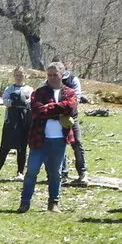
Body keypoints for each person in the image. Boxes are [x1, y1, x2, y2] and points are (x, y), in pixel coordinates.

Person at [17, 61, 77, 214]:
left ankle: (53, 203)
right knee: (32, 171)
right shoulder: (39, 92)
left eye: (55, 75)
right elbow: (37, 110)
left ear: (62, 75)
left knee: (55, 173)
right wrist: (59, 112)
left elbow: (70, 108)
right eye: (49, 75)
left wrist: (48, 108)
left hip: (59, 139)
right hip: (39, 138)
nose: (52, 78)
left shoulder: (69, 92)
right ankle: (25, 202)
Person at [0, 66, 32, 181]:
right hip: (11, 121)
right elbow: (5, 101)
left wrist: (24, 102)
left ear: (25, 76)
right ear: (14, 76)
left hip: (24, 120)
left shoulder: (29, 89)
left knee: (22, 147)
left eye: (21, 75)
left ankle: (20, 172)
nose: (19, 77)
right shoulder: (9, 89)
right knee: (5, 146)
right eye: (17, 75)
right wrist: (13, 102)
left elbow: (32, 102)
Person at [53, 56, 88, 186]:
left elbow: (76, 99)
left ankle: (82, 172)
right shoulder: (49, 80)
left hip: (72, 117)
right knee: (59, 144)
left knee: (77, 143)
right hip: (56, 117)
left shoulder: (73, 79)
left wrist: (61, 107)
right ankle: (62, 173)